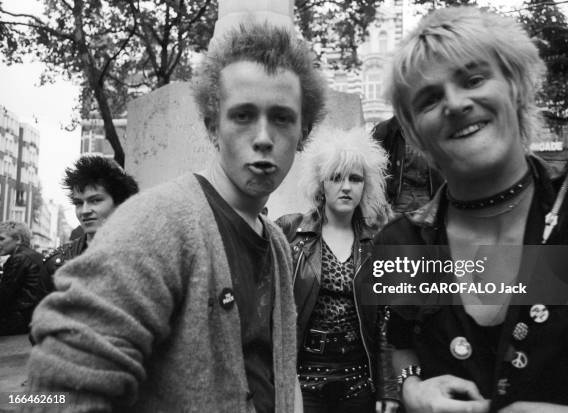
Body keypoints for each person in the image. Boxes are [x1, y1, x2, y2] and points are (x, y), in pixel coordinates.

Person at [25, 22, 326, 412]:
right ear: (211, 126)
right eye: (243, 116)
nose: (264, 136)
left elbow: (278, 374)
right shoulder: (158, 222)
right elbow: (53, 390)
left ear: (304, 132)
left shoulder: (279, 246)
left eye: (283, 117)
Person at [372, 6, 568, 413]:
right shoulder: (401, 244)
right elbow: (399, 346)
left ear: (515, 85)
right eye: (429, 99)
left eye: (474, 79)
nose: (455, 103)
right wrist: (410, 390)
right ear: (414, 131)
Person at [276, 127, 398, 413]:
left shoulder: (377, 241)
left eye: (355, 179)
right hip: (305, 376)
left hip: (358, 377)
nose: (346, 186)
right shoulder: (291, 232)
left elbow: (385, 320)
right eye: (336, 177)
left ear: (365, 185)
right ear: (321, 184)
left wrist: (388, 387)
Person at [44, 156, 139, 275]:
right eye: (78, 203)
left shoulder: (142, 256)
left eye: (95, 200)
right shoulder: (55, 262)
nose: (84, 211)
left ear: (119, 203)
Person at [0, 221, 51, 336]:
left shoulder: (19, 258)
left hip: (19, 320)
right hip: (35, 317)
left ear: (18, 239)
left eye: (1, 239)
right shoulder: (36, 255)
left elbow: (4, 295)